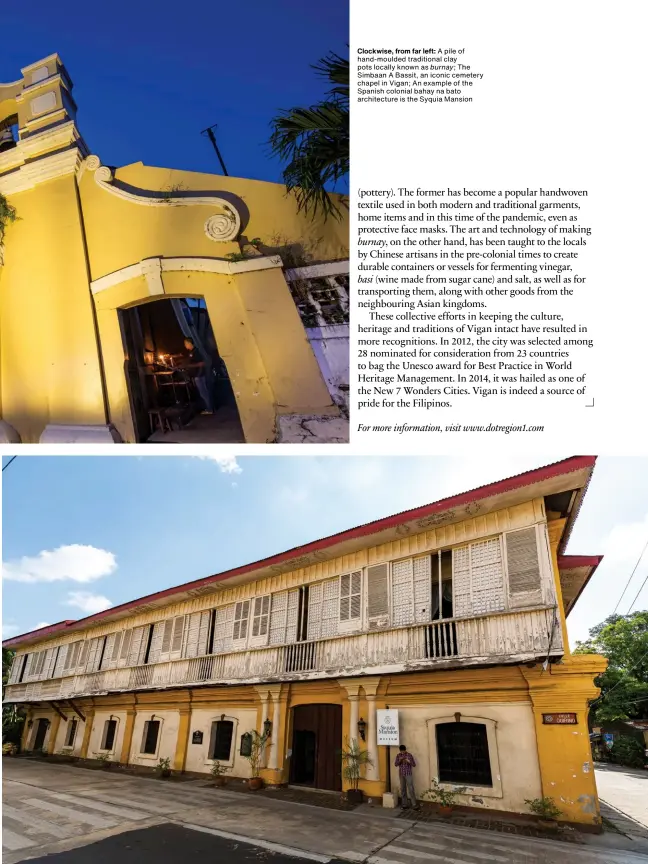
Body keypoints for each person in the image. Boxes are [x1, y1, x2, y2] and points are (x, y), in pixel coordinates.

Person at [182, 337, 213, 413]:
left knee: (204, 393)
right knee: (203, 392)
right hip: (197, 375)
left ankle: (210, 409)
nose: (185, 345)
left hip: (199, 375)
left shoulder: (196, 351)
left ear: (189, 343)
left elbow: (201, 364)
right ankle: (209, 408)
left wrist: (188, 366)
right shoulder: (191, 352)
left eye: (185, 344)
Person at [395, 744, 419, 810]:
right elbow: (396, 764)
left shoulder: (409, 755)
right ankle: (404, 804)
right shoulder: (398, 755)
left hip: (408, 774)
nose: (402, 752)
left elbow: (414, 764)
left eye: (403, 751)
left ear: (405, 750)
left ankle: (414, 804)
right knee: (403, 789)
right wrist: (400, 760)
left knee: (411, 789)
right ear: (400, 750)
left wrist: (409, 761)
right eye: (401, 751)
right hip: (401, 774)